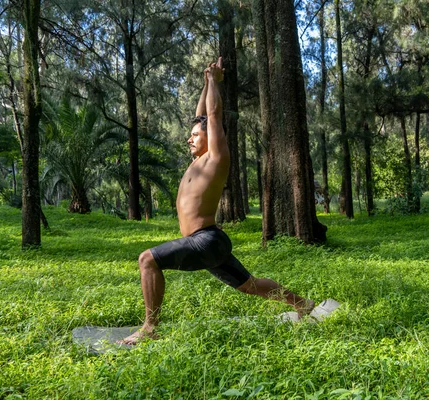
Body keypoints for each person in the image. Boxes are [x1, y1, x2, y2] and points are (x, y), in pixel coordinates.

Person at [120, 57, 315, 345]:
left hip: (206, 240)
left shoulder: (216, 158)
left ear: (211, 138)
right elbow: (202, 116)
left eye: (194, 136)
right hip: (209, 241)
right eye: (190, 135)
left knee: (147, 260)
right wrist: (205, 81)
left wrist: (214, 82)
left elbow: (212, 116)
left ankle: (150, 327)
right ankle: (302, 304)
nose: (189, 139)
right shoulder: (198, 160)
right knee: (250, 285)